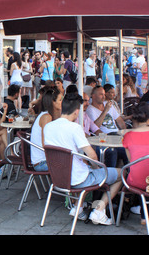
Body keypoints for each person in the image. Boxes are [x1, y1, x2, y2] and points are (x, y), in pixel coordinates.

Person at [44, 92, 123, 225]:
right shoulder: (75, 128)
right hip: (78, 179)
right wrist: (98, 169)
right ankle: (99, 210)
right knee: (121, 174)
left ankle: (77, 208)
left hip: (58, 178)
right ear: (76, 112)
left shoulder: (48, 126)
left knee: (84, 169)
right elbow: (92, 155)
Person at [29, 86, 62, 172]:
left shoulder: (45, 115)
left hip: (42, 160)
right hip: (41, 162)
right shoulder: (46, 117)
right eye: (60, 100)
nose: (62, 102)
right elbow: (45, 145)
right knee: (72, 163)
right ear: (53, 103)